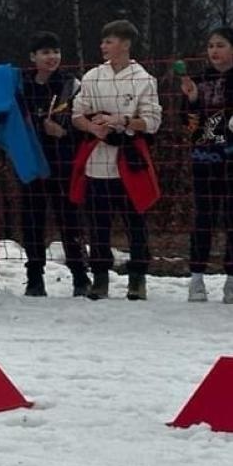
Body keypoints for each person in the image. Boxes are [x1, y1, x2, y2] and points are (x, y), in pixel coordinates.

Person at [72, 20, 162, 300]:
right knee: (98, 223)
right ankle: (100, 276)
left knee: (135, 222)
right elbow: (77, 114)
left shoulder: (143, 79)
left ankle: (137, 278)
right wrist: (92, 127)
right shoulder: (92, 77)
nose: (103, 46)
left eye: (109, 41)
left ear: (125, 44)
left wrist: (123, 120)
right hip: (97, 160)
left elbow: (152, 121)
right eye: (103, 42)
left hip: (128, 160)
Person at [21, 31, 88, 297]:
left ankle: (80, 276)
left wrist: (64, 133)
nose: (52, 57)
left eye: (56, 52)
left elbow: (84, 121)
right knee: (32, 220)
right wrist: (39, 126)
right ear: (33, 57)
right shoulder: (22, 86)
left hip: (63, 162)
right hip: (31, 163)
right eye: (45, 52)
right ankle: (34, 277)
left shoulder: (71, 85)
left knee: (69, 219)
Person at [181, 25, 233, 303]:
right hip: (205, 159)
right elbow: (188, 127)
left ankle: (232, 280)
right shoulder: (199, 80)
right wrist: (190, 101)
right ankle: (196, 278)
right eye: (211, 45)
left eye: (221, 45)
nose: (214, 50)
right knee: (203, 219)